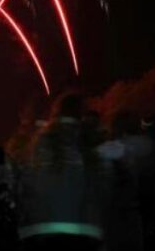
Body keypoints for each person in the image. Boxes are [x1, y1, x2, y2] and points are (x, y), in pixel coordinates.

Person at [19, 93, 111, 251]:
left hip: (41, 229)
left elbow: (25, 183)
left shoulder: (39, 142)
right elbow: (105, 184)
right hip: (84, 228)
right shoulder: (91, 139)